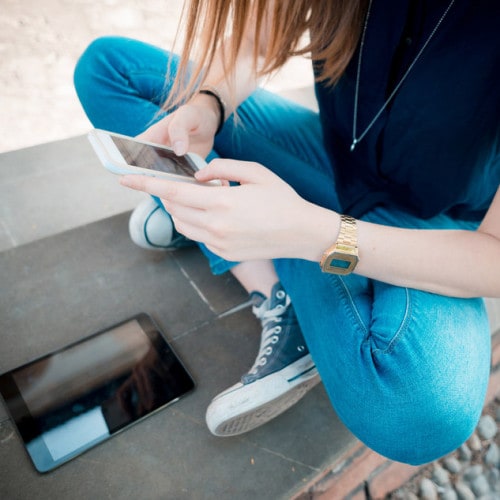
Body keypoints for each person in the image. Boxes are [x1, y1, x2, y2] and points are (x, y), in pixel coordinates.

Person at [74, 0, 500, 465]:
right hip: (329, 159)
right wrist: (209, 105)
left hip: (429, 227)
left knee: (419, 415)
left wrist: (312, 234)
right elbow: (257, 40)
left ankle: (238, 227)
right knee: (110, 67)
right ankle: (269, 279)